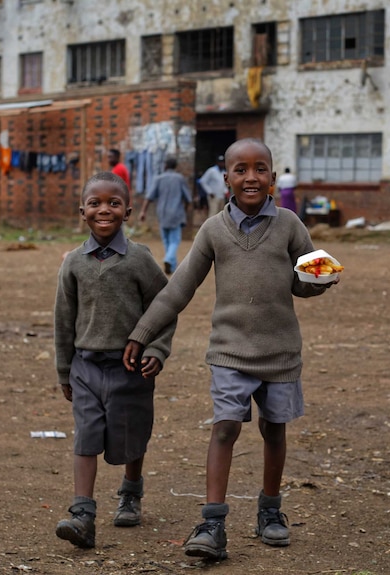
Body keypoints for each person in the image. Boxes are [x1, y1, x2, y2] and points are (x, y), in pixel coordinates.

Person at [124, 138, 339, 560]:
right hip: (229, 352)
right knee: (224, 428)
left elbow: (300, 282)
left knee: (274, 430)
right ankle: (212, 522)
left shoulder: (291, 225)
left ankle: (271, 511)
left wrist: (321, 279)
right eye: (240, 170)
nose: (251, 177)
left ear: (274, 178)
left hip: (280, 354)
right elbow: (179, 288)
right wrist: (142, 332)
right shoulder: (212, 231)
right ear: (226, 180)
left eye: (260, 169)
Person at [54, 171, 176, 549]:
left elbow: (166, 306)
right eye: (95, 203)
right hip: (86, 367)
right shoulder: (73, 263)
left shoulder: (140, 259)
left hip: (131, 368)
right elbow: (63, 318)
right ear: (82, 211)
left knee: (130, 435)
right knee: (86, 437)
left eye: (113, 203)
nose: (103, 209)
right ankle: (83, 514)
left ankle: (130, 493)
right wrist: (64, 370)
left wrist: (156, 350)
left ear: (127, 212)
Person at [139, 157, 193, 274]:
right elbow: (188, 198)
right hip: (176, 213)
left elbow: (148, 198)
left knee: (166, 240)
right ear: (175, 166)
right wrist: (184, 209)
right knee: (175, 240)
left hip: (162, 213)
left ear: (165, 166)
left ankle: (172, 266)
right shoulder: (180, 179)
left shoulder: (158, 179)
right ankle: (168, 259)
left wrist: (143, 211)